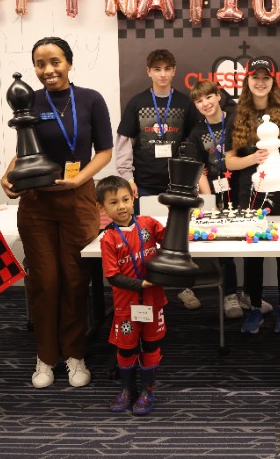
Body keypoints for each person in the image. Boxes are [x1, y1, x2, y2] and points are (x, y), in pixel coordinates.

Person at [1, 36, 113, 389]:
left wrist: (79, 178)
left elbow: (105, 151)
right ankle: (46, 356)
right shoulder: (28, 100)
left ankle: (75, 354)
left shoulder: (91, 99)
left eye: (55, 61)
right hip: (36, 204)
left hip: (78, 200)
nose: (48, 70)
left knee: (76, 279)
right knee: (44, 281)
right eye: (40, 63)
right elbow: (23, 151)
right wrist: (7, 176)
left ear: (69, 62)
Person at [225, 56, 280, 335]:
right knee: (254, 255)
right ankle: (256, 308)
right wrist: (253, 160)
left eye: (266, 78)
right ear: (247, 81)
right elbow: (229, 161)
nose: (260, 82)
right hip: (251, 194)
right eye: (255, 77)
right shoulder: (236, 115)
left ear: (273, 82)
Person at [116, 49, 201, 310]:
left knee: (181, 238)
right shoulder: (137, 102)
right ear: (148, 72)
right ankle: (150, 288)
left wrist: (194, 180)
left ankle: (184, 287)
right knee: (147, 238)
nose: (162, 74)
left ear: (174, 71)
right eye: (157, 69)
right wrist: (127, 177)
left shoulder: (185, 103)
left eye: (167, 69)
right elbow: (124, 142)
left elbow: (194, 143)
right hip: (144, 182)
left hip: (179, 184)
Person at [95, 175, 167, 415]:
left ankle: (147, 391)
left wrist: (178, 213)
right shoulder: (108, 238)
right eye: (113, 202)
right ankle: (127, 390)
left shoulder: (148, 224)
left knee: (150, 344)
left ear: (134, 197)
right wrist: (141, 284)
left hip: (153, 302)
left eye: (126, 199)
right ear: (102, 208)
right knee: (126, 349)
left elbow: (170, 240)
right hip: (126, 306)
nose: (122, 206)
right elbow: (112, 277)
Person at [187, 80, 243, 319]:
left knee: (245, 243)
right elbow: (198, 167)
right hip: (215, 193)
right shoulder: (197, 132)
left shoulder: (236, 120)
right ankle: (229, 295)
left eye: (208, 97)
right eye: (199, 101)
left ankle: (246, 294)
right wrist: (208, 197)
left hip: (241, 189)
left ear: (218, 96)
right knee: (224, 248)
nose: (205, 104)